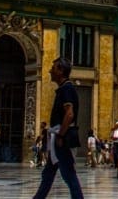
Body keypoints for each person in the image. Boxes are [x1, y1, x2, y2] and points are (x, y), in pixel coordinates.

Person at [31, 57, 84, 199]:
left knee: (68, 174)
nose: (50, 71)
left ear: (61, 71)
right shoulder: (64, 88)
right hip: (58, 138)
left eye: (53, 68)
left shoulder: (67, 89)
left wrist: (60, 135)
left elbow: (69, 114)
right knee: (48, 173)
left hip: (62, 139)